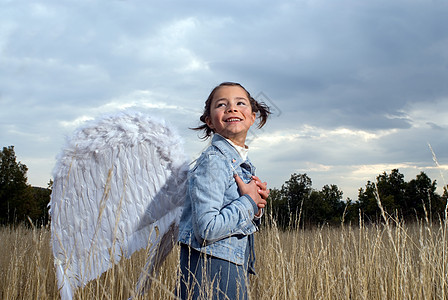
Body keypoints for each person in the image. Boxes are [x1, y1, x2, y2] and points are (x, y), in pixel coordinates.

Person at [177, 82, 271, 299]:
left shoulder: (239, 162)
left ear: (252, 117)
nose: (232, 108)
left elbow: (231, 219)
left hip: (228, 264)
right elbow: (207, 228)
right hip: (212, 270)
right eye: (222, 104)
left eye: (240, 102)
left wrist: (255, 207)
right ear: (210, 121)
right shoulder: (215, 161)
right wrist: (247, 200)